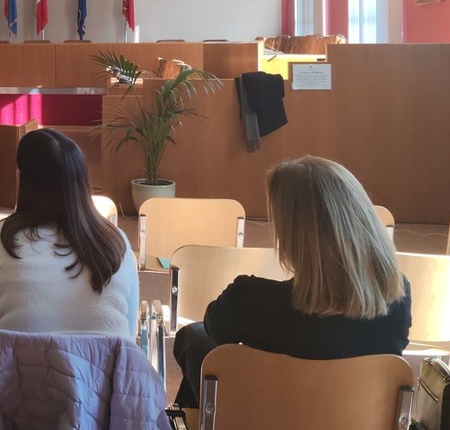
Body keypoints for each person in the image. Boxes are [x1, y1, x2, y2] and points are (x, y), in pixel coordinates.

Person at [172, 155, 412, 408]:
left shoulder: (248, 300)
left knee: (194, 337)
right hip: (357, 418)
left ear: (292, 234)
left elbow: (214, 327)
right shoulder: (398, 297)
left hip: (261, 417)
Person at [0, 128, 139, 337]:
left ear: (24, 179)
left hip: (21, 360)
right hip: (108, 360)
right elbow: (129, 336)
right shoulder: (117, 242)